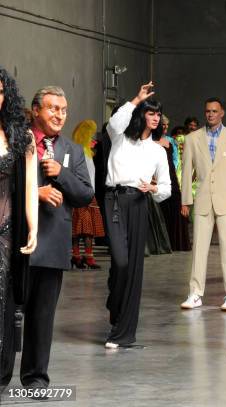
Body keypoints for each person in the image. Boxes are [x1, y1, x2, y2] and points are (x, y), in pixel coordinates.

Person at [4, 85, 93, 389]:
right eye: (53, 108)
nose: (59, 115)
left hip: (52, 246)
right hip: (14, 242)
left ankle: (35, 379)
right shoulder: (16, 143)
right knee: (6, 313)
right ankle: (3, 374)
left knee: (41, 320)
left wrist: (61, 173)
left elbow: (85, 195)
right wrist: (34, 192)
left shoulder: (72, 151)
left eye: (64, 110)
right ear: (37, 109)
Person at [104, 82, 171, 348]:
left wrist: (153, 188)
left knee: (133, 268)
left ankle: (122, 332)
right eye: (151, 112)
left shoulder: (158, 150)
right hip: (114, 201)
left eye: (158, 114)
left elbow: (165, 188)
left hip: (140, 203)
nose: (155, 118)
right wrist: (136, 99)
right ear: (141, 114)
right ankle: (114, 300)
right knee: (120, 262)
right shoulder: (119, 137)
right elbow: (114, 121)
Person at [180, 97, 226, 311]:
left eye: (214, 111)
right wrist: (186, 200)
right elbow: (186, 172)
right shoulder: (192, 138)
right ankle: (195, 293)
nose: (210, 114)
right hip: (202, 199)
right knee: (198, 248)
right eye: (207, 111)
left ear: (222, 113)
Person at [0, 67, 38, 389]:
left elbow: (29, 187)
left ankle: (1, 369)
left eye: (0, 91)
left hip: (7, 232)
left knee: (5, 297)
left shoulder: (19, 136)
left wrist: (33, 227)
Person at [71, 120, 105, 269]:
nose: (93, 137)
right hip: (80, 192)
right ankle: (77, 256)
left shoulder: (87, 152)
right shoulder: (77, 151)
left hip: (89, 193)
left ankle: (85, 256)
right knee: (79, 227)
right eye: (91, 134)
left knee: (87, 228)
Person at [158, 129, 191, 252]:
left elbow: (176, 160)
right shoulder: (147, 141)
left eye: (166, 125)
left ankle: (177, 242)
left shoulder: (170, 142)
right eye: (163, 125)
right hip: (158, 175)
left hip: (172, 173)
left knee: (177, 205)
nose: (164, 128)